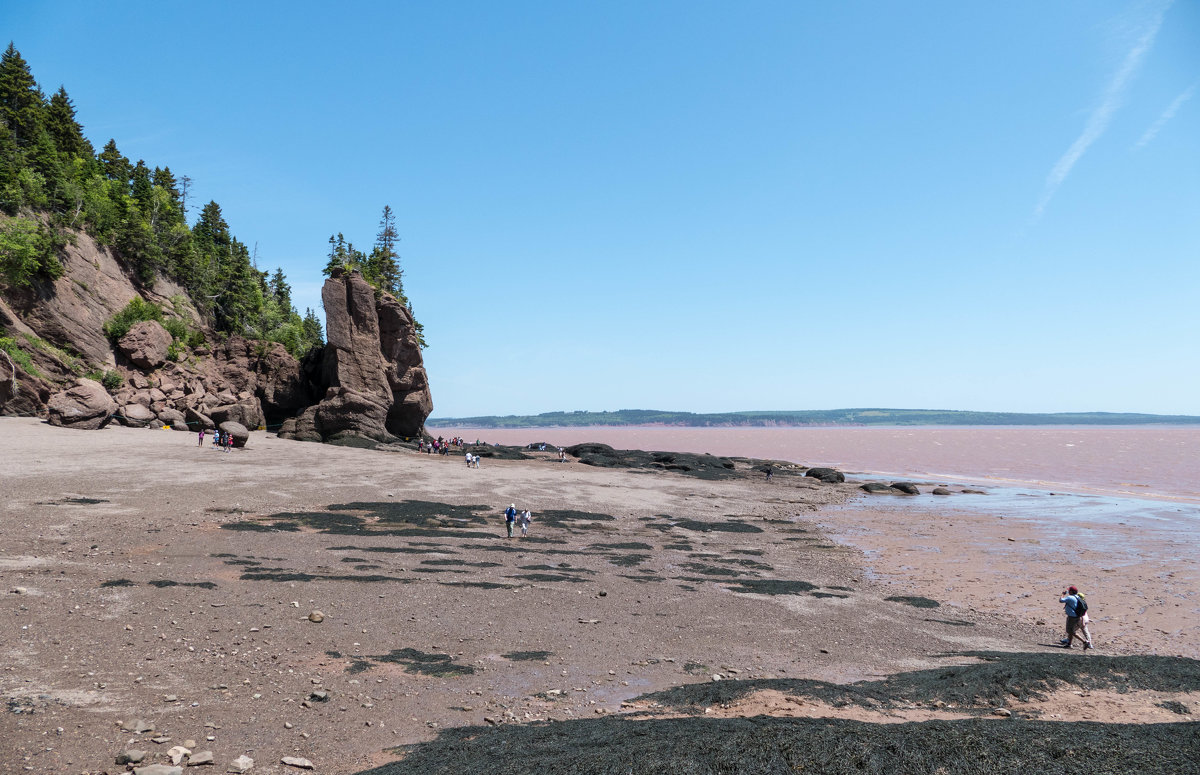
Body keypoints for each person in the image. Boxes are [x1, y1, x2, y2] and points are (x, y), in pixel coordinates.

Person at [1059, 585, 1092, 649]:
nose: (1068, 592)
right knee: (1072, 630)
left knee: (1070, 631)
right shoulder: (1078, 597)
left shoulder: (1070, 597)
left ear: (1071, 591)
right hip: (1077, 616)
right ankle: (1069, 644)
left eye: (1069, 591)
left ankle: (1085, 642)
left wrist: (1063, 594)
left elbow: (1061, 600)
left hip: (1072, 617)